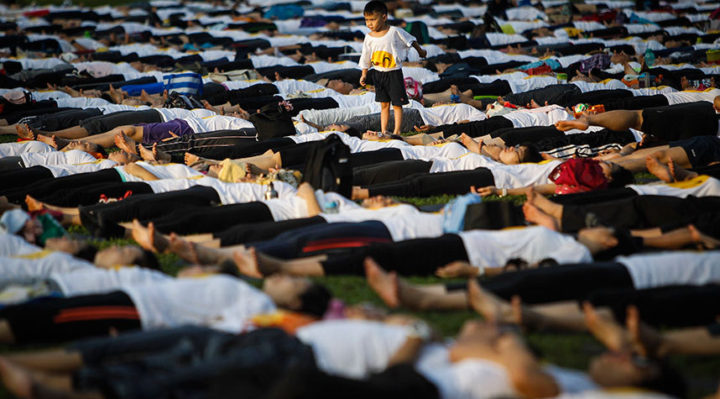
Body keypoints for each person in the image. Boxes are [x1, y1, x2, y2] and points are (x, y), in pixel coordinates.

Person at [359, 1, 427, 136]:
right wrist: (364, 73)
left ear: (384, 17)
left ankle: (397, 130)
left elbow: (411, 40)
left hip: (393, 73)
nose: (369, 24)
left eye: (372, 19)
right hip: (378, 74)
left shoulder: (394, 31)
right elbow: (365, 56)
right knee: (383, 104)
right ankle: (384, 130)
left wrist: (421, 52)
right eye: (367, 20)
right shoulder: (368, 37)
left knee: (397, 104)